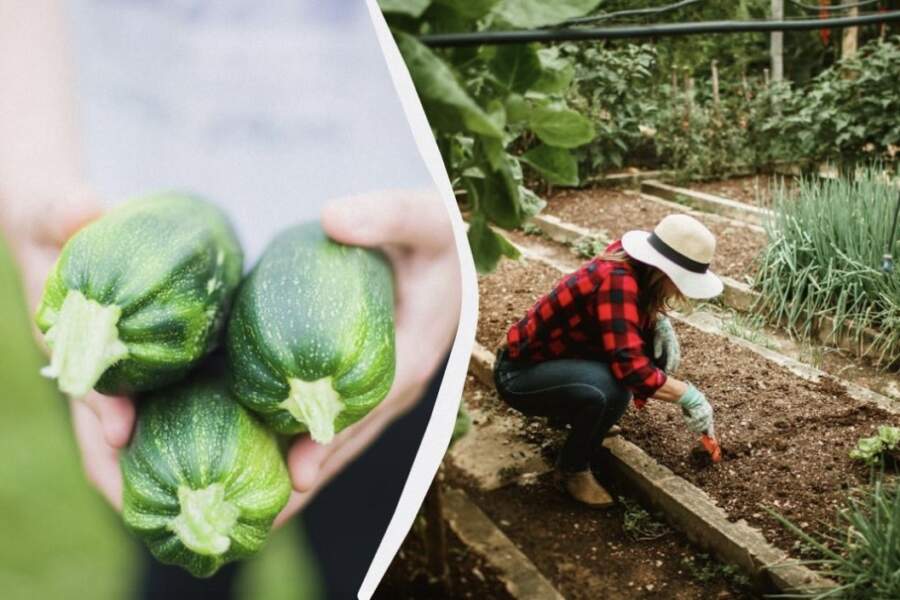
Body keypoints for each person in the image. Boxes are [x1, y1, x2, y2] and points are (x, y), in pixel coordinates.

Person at [0, 1, 464, 597]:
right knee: (176, 569)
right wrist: (32, 180)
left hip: (397, 262)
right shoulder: (96, 291)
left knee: (373, 552)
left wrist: (465, 235)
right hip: (114, 221)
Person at [493, 214, 722, 507]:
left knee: (627, 372)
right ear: (664, 272)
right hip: (519, 376)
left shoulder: (628, 262)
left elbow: (620, 330)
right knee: (612, 390)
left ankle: (573, 417)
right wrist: (689, 396)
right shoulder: (617, 280)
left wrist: (658, 323)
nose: (680, 291)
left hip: (551, 362)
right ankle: (572, 470)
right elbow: (632, 370)